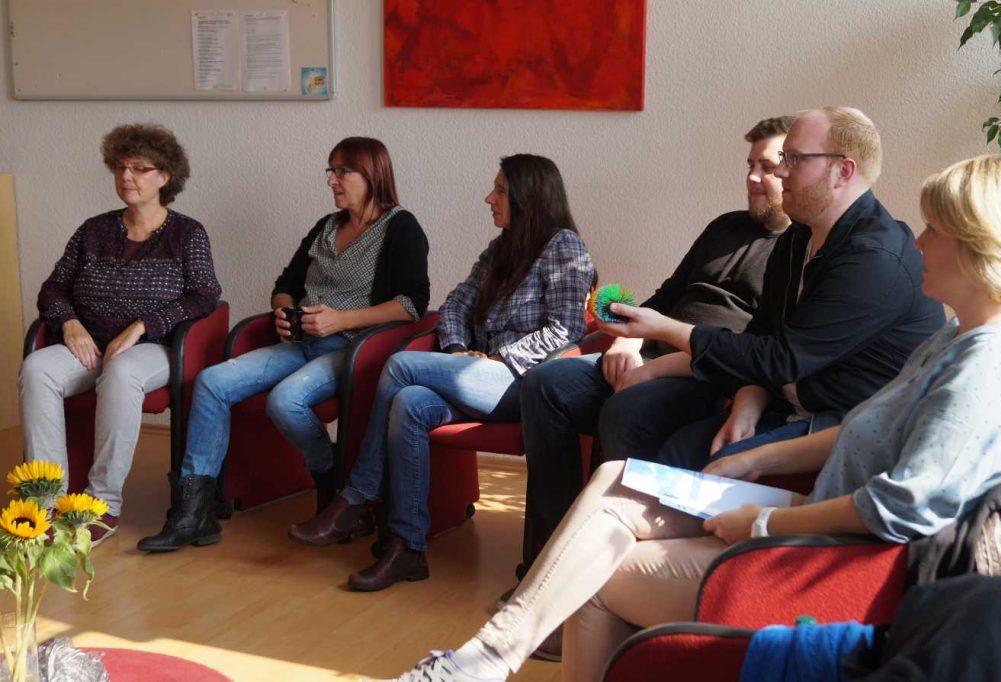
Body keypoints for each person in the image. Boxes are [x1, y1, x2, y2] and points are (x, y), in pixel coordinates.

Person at [376, 153, 1001, 681]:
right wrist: (758, 458)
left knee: (594, 574)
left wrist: (766, 516)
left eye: (935, 230)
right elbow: (853, 427)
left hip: (847, 558)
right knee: (616, 480)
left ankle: (488, 656)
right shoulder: (954, 337)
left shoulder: (989, 361)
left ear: (978, 248)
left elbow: (898, 508)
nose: (919, 242)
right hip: (808, 492)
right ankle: (490, 655)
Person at [288, 154, 595, 592]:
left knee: (400, 363)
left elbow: (566, 329)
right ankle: (406, 547)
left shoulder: (565, 247)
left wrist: (499, 359)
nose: (489, 199)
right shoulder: (501, 247)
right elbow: (454, 304)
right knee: (411, 403)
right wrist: (455, 350)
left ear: (530, 197)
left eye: (501, 191)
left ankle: (357, 497)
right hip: (473, 372)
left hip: (522, 382)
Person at [514, 115, 794, 590]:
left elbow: (759, 350)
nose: (752, 178)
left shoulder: (797, 250)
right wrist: (627, 339)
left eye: (766, 167)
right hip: (649, 355)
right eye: (749, 165)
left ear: (794, 170)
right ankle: (548, 560)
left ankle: (617, 574)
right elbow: (665, 297)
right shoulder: (723, 228)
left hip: (709, 375)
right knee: (545, 384)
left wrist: (660, 365)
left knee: (628, 411)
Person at [595, 107, 944, 471]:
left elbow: (781, 358)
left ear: (844, 171)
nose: (780, 171)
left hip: (849, 422)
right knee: (677, 452)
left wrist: (661, 328)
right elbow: (763, 333)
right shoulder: (798, 237)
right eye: (782, 158)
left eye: (794, 159)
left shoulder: (874, 258)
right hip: (787, 402)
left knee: (698, 465)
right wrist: (747, 405)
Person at [137, 136, 429, 552]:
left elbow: (411, 304)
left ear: (373, 174)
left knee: (285, 400)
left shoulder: (401, 227)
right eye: (330, 171)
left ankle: (330, 476)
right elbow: (285, 285)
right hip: (300, 343)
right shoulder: (326, 227)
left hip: (351, 349)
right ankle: (193, 512)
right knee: (212, 382)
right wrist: (283, 310)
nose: (332, 180)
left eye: (342, 171)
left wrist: (341, 320)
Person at [19, 123, 220, 547]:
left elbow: (205, 296)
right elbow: (54, 287)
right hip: (88, 340)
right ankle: (46, 501)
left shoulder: (187, 234)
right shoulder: (94, 229)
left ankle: (102, 504)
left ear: (165, 177)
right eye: (120, 168)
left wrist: (144, 324)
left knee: (123, 372)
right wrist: (68, 322)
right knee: (38, 368)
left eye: (139, 169)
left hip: (153, 349)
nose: (126, 177)